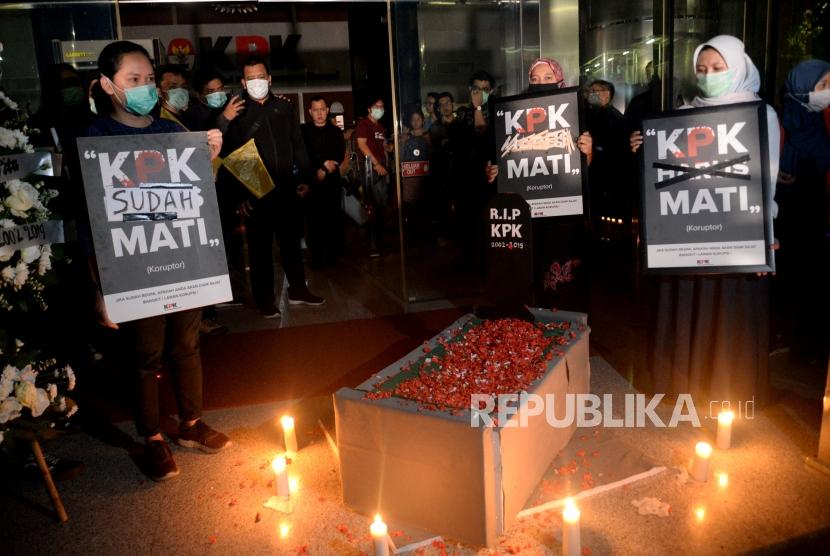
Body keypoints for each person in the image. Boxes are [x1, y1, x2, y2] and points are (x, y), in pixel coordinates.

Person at [84, 41, 229, 481]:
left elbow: (196, 199)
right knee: (145, 355)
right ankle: (151, 437)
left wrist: (210, 157)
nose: (146, 88)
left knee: (187, 345)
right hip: (134, 267)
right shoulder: (94, 139)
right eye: (134, 80)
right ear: (108, 85)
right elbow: (91, 220)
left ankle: (189, 424)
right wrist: (100, 287)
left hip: (183, 260)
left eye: (150, 80)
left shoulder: (170, 129)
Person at [630, 35, 780, 405]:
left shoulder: (761, 115)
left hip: (735, 235)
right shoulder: (681, 114)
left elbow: (767, 182)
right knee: (686, 305)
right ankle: (681, 387)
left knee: (728, 311)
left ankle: (727, 392)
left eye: (717, 68)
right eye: (702, 69)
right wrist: (643, 148)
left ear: (739, 68)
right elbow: (664, 178)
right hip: (685, 234)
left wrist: (766, 237)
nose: (709, 75)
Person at [486, 57, 594, 311]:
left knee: (562, 283)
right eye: (535, 79)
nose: (540, 83)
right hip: (528, 218)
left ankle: (566, 331)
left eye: (548, 78)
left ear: (559, 79)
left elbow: (584, 169)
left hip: (563, 217)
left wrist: (587, 153)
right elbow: (502, 160)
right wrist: (493, 173)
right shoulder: (514, 114)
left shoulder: (576, 113)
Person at [221, 55, 324, 316]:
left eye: (260, 77)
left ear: (269, 78)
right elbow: (232, 154)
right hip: (256, 191)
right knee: (259, 249)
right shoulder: (237, 113)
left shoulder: (285, 108)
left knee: (291, 243)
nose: (257, 82)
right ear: (244, 82)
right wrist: (240, 195)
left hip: (287, 188)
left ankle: (299, 290)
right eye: (251, 78)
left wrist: (305, 178)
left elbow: (297, 143)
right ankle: (265, 301)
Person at [776, 59, 830, 364]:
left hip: (817, 218)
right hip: (787, 218)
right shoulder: (778, 122)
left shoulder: (824, 122)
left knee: (814, 280)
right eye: (822, 86)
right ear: (802, 88)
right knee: (790, 278)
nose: (827, 92)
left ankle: (808, 344)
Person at [301, 95, 346, 267]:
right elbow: (304, 155)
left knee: (332, 220)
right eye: (316, 110)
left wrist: (325, 168)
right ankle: (317, 258)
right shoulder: (304, 131)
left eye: (322, 110)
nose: (320, 114)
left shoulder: (335, 131)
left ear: (327, 111)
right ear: (310, 112)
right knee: (313, 222)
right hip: (311, 183)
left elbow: (339, 155)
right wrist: (318, 167)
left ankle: (332, 257)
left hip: (332, 183)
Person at [355, 95, 391, 256]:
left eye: (382, 106)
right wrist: (376, 164)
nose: (380, 109)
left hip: (382, 169)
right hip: (371, 169)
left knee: (382, 206)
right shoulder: (364, 124)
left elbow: (381, 146)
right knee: (373, 206)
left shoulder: (380, 127)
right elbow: (361, 144)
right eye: (377, 106)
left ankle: (380, 241)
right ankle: (373, 244)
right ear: (369, 109)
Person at [155, 64, 196, 131]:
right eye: (172, 87)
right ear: (159, 92)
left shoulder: (190, 117)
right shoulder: (156, 121)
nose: (180, 91)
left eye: (183, 87)